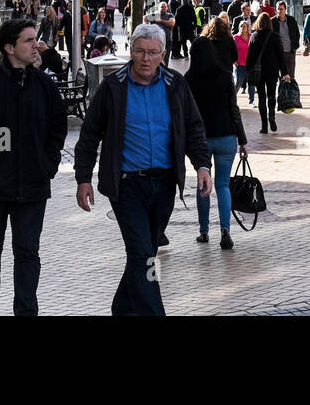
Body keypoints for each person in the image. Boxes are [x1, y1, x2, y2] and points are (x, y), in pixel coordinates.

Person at [74, 23, 212, 316]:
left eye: (152, 52)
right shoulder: (113, 87)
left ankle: (122, 308)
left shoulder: (176, 85)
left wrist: (202, 165)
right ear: (130, 52)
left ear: (163, 54)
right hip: (127, 187)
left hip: (163, 185)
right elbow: (89, 134)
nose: (145, 58)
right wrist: (82, 178)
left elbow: (193, 128)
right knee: (141, 253)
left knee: (145, 253)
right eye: (139, 51)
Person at [0, 20, 68, 316]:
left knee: (28, 251)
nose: (37, 45)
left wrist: (48, 164)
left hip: (32, 185)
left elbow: (58, 129)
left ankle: (26, 308)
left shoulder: (45, 85)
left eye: (36, 39)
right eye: (29, 40)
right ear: (9, 48)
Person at [186, 16, 248, 250]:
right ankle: (225, 229)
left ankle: (204, 231)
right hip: (226, 137)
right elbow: (234, 110)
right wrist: (242, 140)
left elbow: (184, 114)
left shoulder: (189, 80)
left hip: (201, 140)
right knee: (222, 185)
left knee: (204, 185)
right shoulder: (225, 77)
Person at [246, 12, 284, 133]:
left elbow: (250, 56)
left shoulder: (254, 36)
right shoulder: (276, 36)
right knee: (271, 95)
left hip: (259, 71)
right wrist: (285, 72)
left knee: (261, 97)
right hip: (272, 70)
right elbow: (281, 56)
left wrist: (248, 70)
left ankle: (264, 126)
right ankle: (272, 117)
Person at [272, 1, 300, 82]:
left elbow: (297, 34)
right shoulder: (273, 21)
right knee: (281, 76)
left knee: (291, 76)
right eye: (278, 9)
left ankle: (289, 93)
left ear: (285, 10)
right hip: (278, 53)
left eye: (281, 9)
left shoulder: (291, 20)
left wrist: (295, 47)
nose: (280, 11)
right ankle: (282, 93)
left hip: (290, 51)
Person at [234, 19, 252, 105]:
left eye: (244, 26)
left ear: (247, 28)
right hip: (239, 64)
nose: (242, 27)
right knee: (238, 83)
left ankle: (251, 101)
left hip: (249, 64)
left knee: (251, 83)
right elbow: (231, 50)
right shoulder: (236, 38)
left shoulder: (251, 37)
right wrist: (233, 60)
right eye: (241, 26)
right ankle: (232, 100)